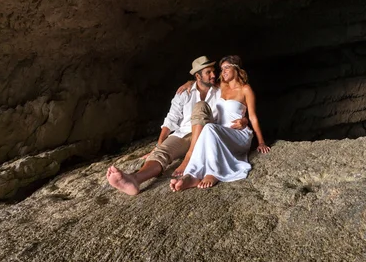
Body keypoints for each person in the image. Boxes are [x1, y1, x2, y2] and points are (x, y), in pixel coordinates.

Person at [106, 56, 247, 195]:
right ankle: (135, 179)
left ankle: (189, 158)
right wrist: (159, 145)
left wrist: (244, 121)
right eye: (208, 72)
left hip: (207, 135)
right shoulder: (184, 92)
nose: (214, 75)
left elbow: (238, 102)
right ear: (198, 76)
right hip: (184, 134)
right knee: (161, 153)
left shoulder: (220, 90)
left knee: (200, 106)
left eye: (213, 71)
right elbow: (171, 119)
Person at [170, 55, 269, 192]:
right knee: (207, 129)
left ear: (237, 69)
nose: (223, 72)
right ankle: (192, 175)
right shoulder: (222, 86)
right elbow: (202, 81)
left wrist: (261, 142)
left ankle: (213, 172)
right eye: (222, 69)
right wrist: (189, 82)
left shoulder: (245, 89)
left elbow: (253, 117)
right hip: (219, 134)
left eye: (227, 68)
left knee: (209, 128)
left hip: (238, 135)